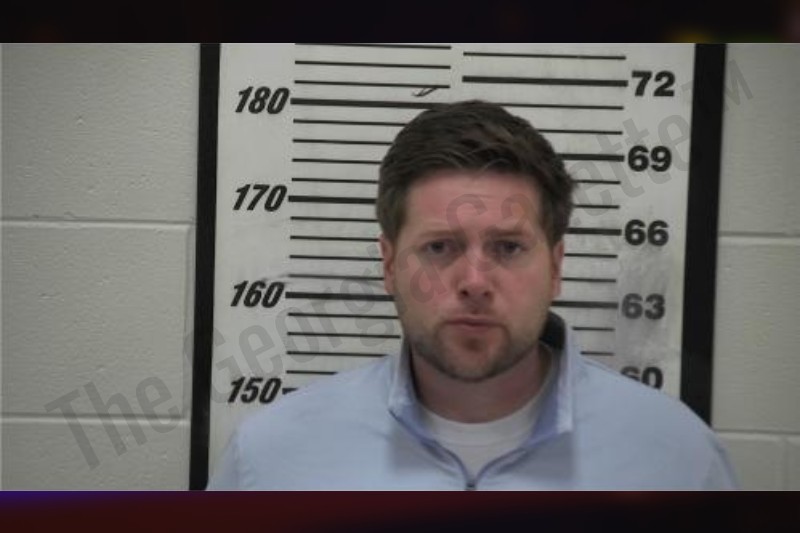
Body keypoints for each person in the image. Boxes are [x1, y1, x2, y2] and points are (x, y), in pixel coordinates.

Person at [207, 100, 737, 490]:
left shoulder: (679, 461)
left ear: (556, 267)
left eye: (508, 247)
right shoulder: (270, 460)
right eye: (440, 247)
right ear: (389, 266)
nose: (475, 281)